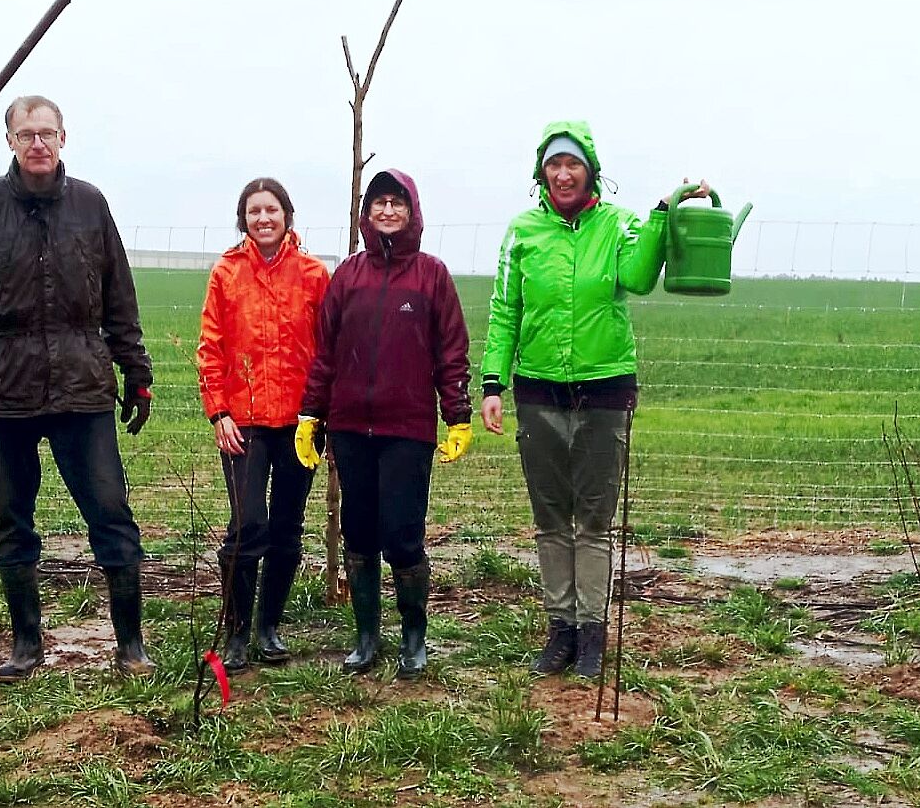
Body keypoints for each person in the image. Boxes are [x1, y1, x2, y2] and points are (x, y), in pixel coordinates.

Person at [0, 95, 156, 682]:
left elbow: (118, 297)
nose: (38, 143)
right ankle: (27, 646)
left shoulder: (90, 204)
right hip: (5, 391)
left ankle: (129, 646)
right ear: (9, 140)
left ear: (63, 139)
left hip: (83, 387)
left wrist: (137, 372)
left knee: (111, 513)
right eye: (26, 133)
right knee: (11, 518)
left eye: (47, 133)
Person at [479, 120, 710, 679]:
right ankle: (559, 628)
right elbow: (505, 309)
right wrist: (493, 383)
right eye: (554, 165)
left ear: (590, 172)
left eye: (573, 164)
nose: (563, 174)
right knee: (552, 517)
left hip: (606, 389)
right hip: (538, 390)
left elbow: (636, 276)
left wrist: (661, 212)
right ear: (542, 174)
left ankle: (591, 634)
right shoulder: (523, 232)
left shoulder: (619, 224)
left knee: (595, 519)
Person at [295, 169, 473, 678]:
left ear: (412, 211)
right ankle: (367, 636)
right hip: (351, 428)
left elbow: (452, 352)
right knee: (358, 531)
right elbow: (325, 352)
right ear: (366, 213)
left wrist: (456, 414)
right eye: (379, 204)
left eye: (397, 202)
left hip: (406, 430)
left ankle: (414, 637)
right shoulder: (348, 276)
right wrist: (312, 413)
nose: (388, 211)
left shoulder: (431, 275)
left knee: (402, 532)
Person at [197, 177, 330, 673]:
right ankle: (234, 629)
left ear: (287, 215)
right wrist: (219, 412)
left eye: (271, 209)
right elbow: (210, 347)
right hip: (243, 423)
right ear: (244, 219)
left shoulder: (314, 275)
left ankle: (269, 625)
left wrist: (322, 416)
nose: (263, 219)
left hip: (299, 423)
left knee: (287, 528)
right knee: (248, 524)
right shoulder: (226, 274)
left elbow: (327, 351)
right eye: (254, 211)